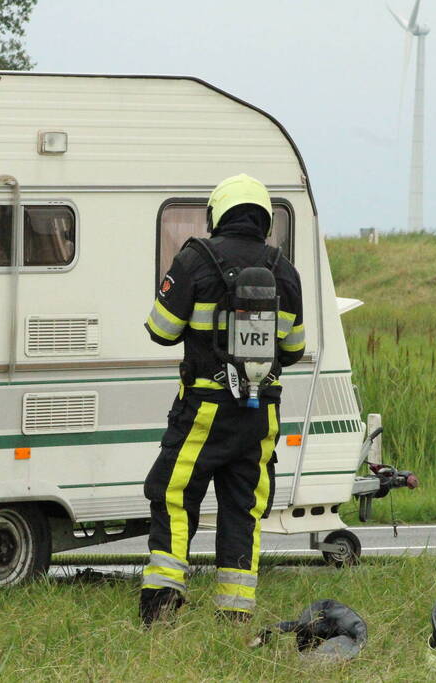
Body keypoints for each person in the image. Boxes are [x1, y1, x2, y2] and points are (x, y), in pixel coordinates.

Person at [139, 173, 305, 626]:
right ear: (264, 220)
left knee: (173, 495)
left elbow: (161, 331)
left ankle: (162, 608)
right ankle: (234, 615)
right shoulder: (284, 270)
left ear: (218, 215)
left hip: (204, 409)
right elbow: (292, 351)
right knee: (243, 508)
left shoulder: (195, 259)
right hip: (260, 415)